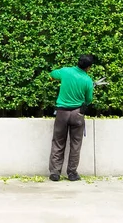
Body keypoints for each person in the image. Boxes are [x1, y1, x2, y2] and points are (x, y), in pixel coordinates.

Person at [47, 54, 95, 182]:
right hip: (77, 114)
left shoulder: (65, 71)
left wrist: (53, 79)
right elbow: (88, 100)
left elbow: (52, 74)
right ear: (89, 67)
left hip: (62, 113)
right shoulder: (87, 80)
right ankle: (72, 173)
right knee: (75, 144)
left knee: (58, 142)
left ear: (78, 62)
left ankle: (55, 173)